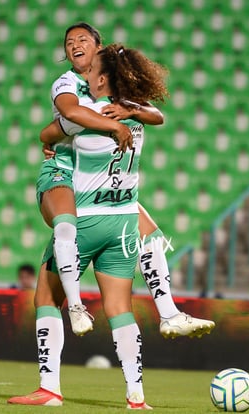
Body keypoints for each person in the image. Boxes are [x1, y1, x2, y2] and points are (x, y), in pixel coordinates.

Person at [9, 43, 172, 409]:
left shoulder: (87, 110)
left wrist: (50, 140)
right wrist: (128, 111)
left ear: (99, 76)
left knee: (47, 297)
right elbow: (157, 116)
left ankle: (50, 387)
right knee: (120, 307)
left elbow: (51, 131)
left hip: (85, 214)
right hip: (122, 221)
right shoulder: (135, 111)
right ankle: (136, 396)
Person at [37, 22, 215, 339]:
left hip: (102, 179)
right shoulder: (66, 82)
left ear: (97, 47)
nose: (74, 45)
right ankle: (75, 309)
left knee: (153, 237)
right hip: (68, 172)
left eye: (82, 39)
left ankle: (170, 315)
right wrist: (115, 127)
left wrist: (126, 109)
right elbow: (69, 114)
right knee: (64, 241)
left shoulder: (112, 88)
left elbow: (156, 115)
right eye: (68, 42)